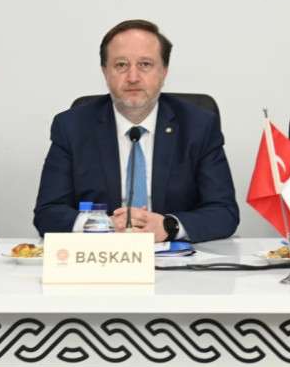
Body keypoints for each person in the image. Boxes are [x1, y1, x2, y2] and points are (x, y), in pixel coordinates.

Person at [32, 19, 239, 243]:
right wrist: (104, 225)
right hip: (102, 256)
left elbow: (224, 212)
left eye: (145, 64)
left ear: (164, 71)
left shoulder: (198, 126)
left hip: (175, 255)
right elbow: (47, 214)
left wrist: (168, 226)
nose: (133, 77)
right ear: (105, 72)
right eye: (121, 65)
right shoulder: (72, 126)